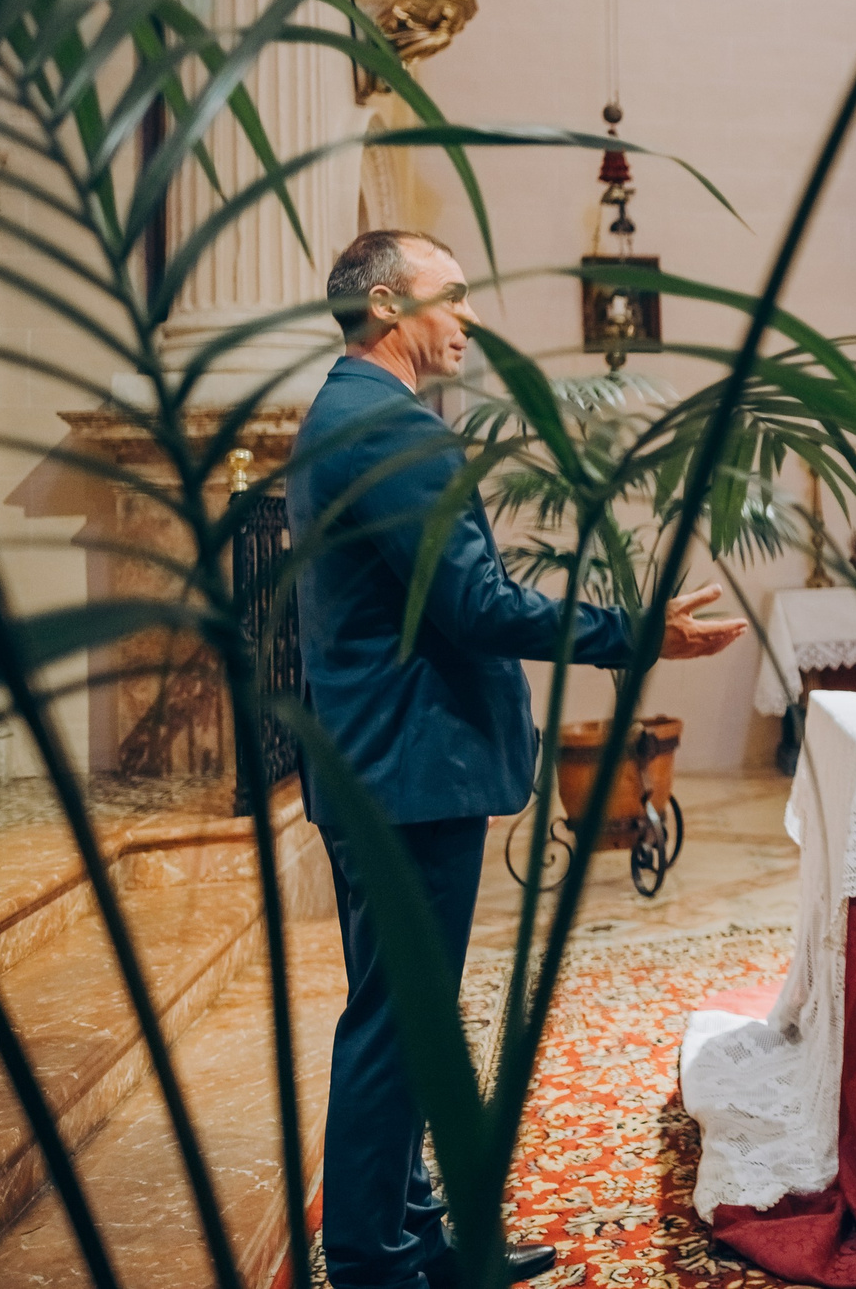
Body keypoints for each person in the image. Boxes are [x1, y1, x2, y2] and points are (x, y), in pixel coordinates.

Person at [292, 231, 748, 1289]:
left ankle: (405, 1227)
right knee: (395, 1018)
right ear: (390, 302)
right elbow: (472, 605)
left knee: (402, 1011)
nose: (469, 319)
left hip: (388, 762)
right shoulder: (383, 428)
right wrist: (635, 633)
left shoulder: (353, 415)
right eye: (454, 297)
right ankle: (373, 1262)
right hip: (403, 768)